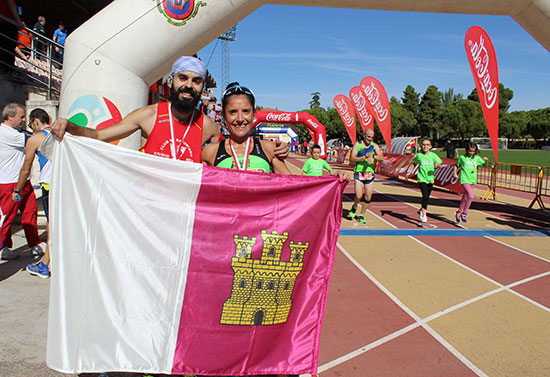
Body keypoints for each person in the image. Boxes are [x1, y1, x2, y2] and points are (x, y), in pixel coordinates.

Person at [52, 56, 289, 162]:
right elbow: (99, 135)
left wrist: (273, 149)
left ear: (202, 88)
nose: (188, 85)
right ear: (171, 81)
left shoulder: (208, 126)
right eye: (183, 78)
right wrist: (70, 126)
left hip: (186, 210)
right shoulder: (149, 115)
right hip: (148, 205)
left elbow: (228, 155)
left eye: (196, 81)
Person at [202, 82, 291, 176]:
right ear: (224, 116)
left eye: (246, 111)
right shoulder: (209, 152)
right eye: (233, 112)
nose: (240, 119)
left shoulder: (269, 149)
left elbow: (293, 186)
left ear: (253, 114)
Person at [10, 108, 52, 277]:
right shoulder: (64, 134)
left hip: (50, 185)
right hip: (66, 183)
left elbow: (26, 168)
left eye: (30, 124)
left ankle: (44, 265)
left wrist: (17, 189)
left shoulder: (36, 139)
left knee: (52, 227)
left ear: (35, 120)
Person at [0, 103, 43, 260]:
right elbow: (33, 139)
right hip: (10, 184)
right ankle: (2, 246)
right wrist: (42, 127)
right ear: (10, 117)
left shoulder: (15, 132)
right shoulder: (6, 133)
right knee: (6, 218)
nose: (24, 120)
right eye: (21, 117)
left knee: (30, 214)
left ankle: (35, 244)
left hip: (23, 182)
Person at [348, 128, 384, 224]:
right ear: (364, 135)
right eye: (368, 137)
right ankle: (354, 207)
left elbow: (381, 157)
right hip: (359, 173)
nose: (370, 139)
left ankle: (361, 215)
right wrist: (364, 157)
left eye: (372, 137)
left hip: (369, 174)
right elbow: (352, 158)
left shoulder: (374, 146)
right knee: (359, 195)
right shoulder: (358, 144)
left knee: (368, 197)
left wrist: (373, 156)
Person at [453, 141, 488, 223]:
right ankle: (465, 212)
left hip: (472, 180)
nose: (471, 153)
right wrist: (454, 173)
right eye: (469, 151)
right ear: (466, 150)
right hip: (464, 179)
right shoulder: (462, 158)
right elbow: (456, 165)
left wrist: (486, 160)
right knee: (471, 196)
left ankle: (459, 212)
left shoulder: (477, 158)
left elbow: (485, 165)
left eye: (472, 151)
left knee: (466, 197)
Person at [409, 139, 442, 223]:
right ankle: (424, 213)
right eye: (423, 145)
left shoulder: (433, 156)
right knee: (425, 195)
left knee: (427, 197)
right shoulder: (419, 155)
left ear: (430, 147)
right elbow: (414, 163)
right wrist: (410, 171)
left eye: (427, 145)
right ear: (421, 146)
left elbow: (440, 165)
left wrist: (437, 165)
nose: (425, 146)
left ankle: (422, 209)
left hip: (430, 179)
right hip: (421, 178)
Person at [0, 0, 23, 73]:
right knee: (8, 46)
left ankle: (6, 68)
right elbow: (11, 3)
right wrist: (18, 20)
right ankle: (8, 69)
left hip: (6, 21)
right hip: (7, 21)